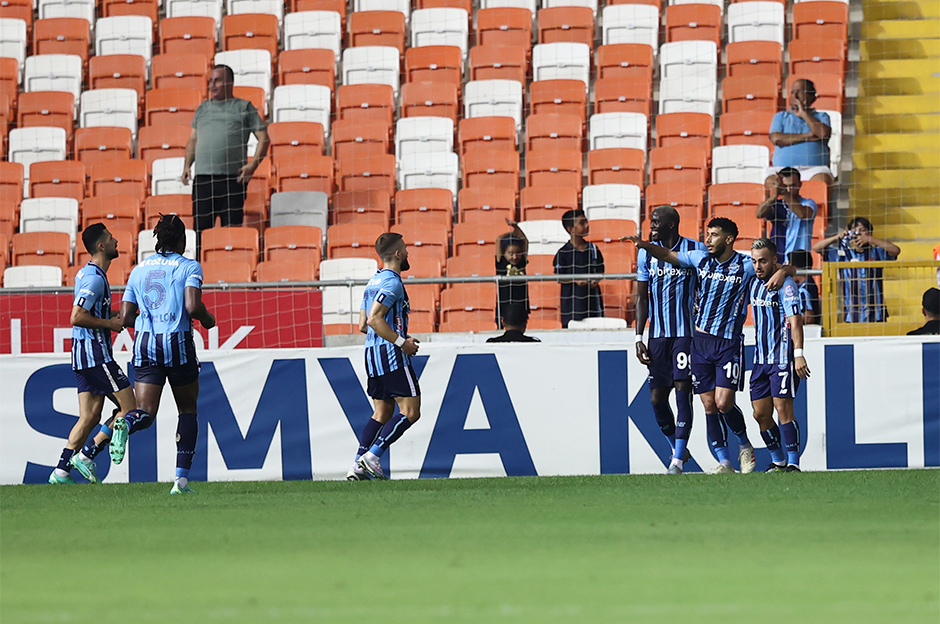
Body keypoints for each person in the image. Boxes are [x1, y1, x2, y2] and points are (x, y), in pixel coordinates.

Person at [626, 218, 797, 474]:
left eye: (714, 235)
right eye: (707, 234)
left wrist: (784, 271)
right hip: (700, 341)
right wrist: (644, 246)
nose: (708, 239)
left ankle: (744, 444)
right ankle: (724, 462)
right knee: (708, 405)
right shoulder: (699, 258)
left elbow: (783, 268)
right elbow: (666, 254)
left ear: (729, 239)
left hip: (728, 343)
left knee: (723, 402)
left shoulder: (745, 265)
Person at [116, 214, 217, 495]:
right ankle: (180, 483)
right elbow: (192, 306)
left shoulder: (138, 270)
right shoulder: (189, 267)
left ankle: (126, 422)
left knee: (145, 413)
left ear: (159, 240)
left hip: (145, 344)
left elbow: (125, 316)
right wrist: (208, 320)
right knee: (187, 409)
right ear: (183, 240)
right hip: (177, 344)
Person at [48, 224, 136, 485]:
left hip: (82, 356)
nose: (116, 240)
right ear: (101, 246)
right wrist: (110, 325)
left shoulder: (88, 273)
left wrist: (117, 316)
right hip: (96, 355)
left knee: (89, 417)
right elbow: (77, 316)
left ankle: (61, 471)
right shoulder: (95, 278)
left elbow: (91, 311)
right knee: (130, 408)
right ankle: (86, 455)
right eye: (111, 238)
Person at [633, 206, 707, 475]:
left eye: (656, 221)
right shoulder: (645, 253)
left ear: (672, 224)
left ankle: (676, 461)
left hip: (685, 335)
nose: (651, 225)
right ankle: (677, 448)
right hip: (658, 337)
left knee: (682, 391)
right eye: (651, 221)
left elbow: (706, 288)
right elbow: (642, 297)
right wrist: (639, 337)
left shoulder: (695, 249)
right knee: (656, 399)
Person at [348, 233, 422, 481]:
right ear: (398, 254)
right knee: (411, 411)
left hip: (371, 354)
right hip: (391, 355)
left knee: (382, 412)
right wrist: (402, 342)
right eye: (406, 249)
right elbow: (373, 320)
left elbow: (361, 325)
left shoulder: (373, 282)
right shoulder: (392, 283)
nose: (408, 253)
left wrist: (398, 332)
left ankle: (358, 464)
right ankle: (372, 456)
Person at [182, 65, 270, 239]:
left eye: (218, 80)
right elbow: (193, 139)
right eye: (210, 81)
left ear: (230, 83)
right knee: (201, 234)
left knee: (232, 233)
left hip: (232, 180)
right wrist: (187, 165)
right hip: (203, 181)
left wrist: (252, 166)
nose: (212, 85)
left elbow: (264, 138)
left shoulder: (244, 107)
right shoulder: (203, 108)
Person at [748, 238, 811, 473]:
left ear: (774, 260)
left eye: (763, 261)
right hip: (760, 360)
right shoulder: (753, 280)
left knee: (783, 409)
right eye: (754, 261)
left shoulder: (786, 286)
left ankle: (793, 462)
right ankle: (778, 460)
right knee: (760, 413)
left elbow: (796, 321)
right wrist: (785, 268)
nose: (757, 266)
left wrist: (799, 355)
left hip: (782, 358)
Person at [813, 217, 901, 323]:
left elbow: (895, 250)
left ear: (869, 232)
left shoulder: (877, 252)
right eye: (854, 231)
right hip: (852, 312)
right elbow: (816, 248)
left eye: (862, 231)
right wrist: (837, 237)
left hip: (876, 311)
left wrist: (870, 239)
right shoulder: (843, 254)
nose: (858, 234)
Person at [766, 78, 833, 187]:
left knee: (822, 182)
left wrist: (803, 114)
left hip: (814, 170)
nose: (795, 96)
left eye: (799, 92)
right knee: (771, 183)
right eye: (792, 92)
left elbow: (822, 134)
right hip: (783, 170)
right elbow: (776, 139)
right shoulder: (781, 116)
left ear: (812, 97)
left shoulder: (822, 116)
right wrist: (808, 136)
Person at [554, 209, 605, 328]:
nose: (587, 225)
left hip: (593, 299)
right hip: (572, 303)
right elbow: (558, 277)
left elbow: (600, 270)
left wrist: (596, 280)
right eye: (582, 223)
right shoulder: (563, 252)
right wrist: (574, 280)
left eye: (586, 221)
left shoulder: (593, 249)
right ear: (570, 229)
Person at [757, 167, 817, 263]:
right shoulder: (777, 204)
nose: (789, 189)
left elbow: (802, 214)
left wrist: (783, 191)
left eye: (792, 186)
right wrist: (774, 195)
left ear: (800, 185)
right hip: (777, 259)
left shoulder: (808, 203)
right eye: (785, 186)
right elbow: (759, 214)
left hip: (799, 260)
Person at [495, 219, 529, 328]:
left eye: (517, 253)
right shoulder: (501, 262)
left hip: (520, 300)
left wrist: (517, 228)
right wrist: (510, 233)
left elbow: (525, 241)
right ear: (504, 253)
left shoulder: (521, 263)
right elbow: (498, 240)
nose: (514, 257)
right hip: (505, 301)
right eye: (510, 253)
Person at [788, 250, 820, 325]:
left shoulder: (804, 290)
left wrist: (787, 318)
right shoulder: (810, 283)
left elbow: (809, 318)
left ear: (794, 268)